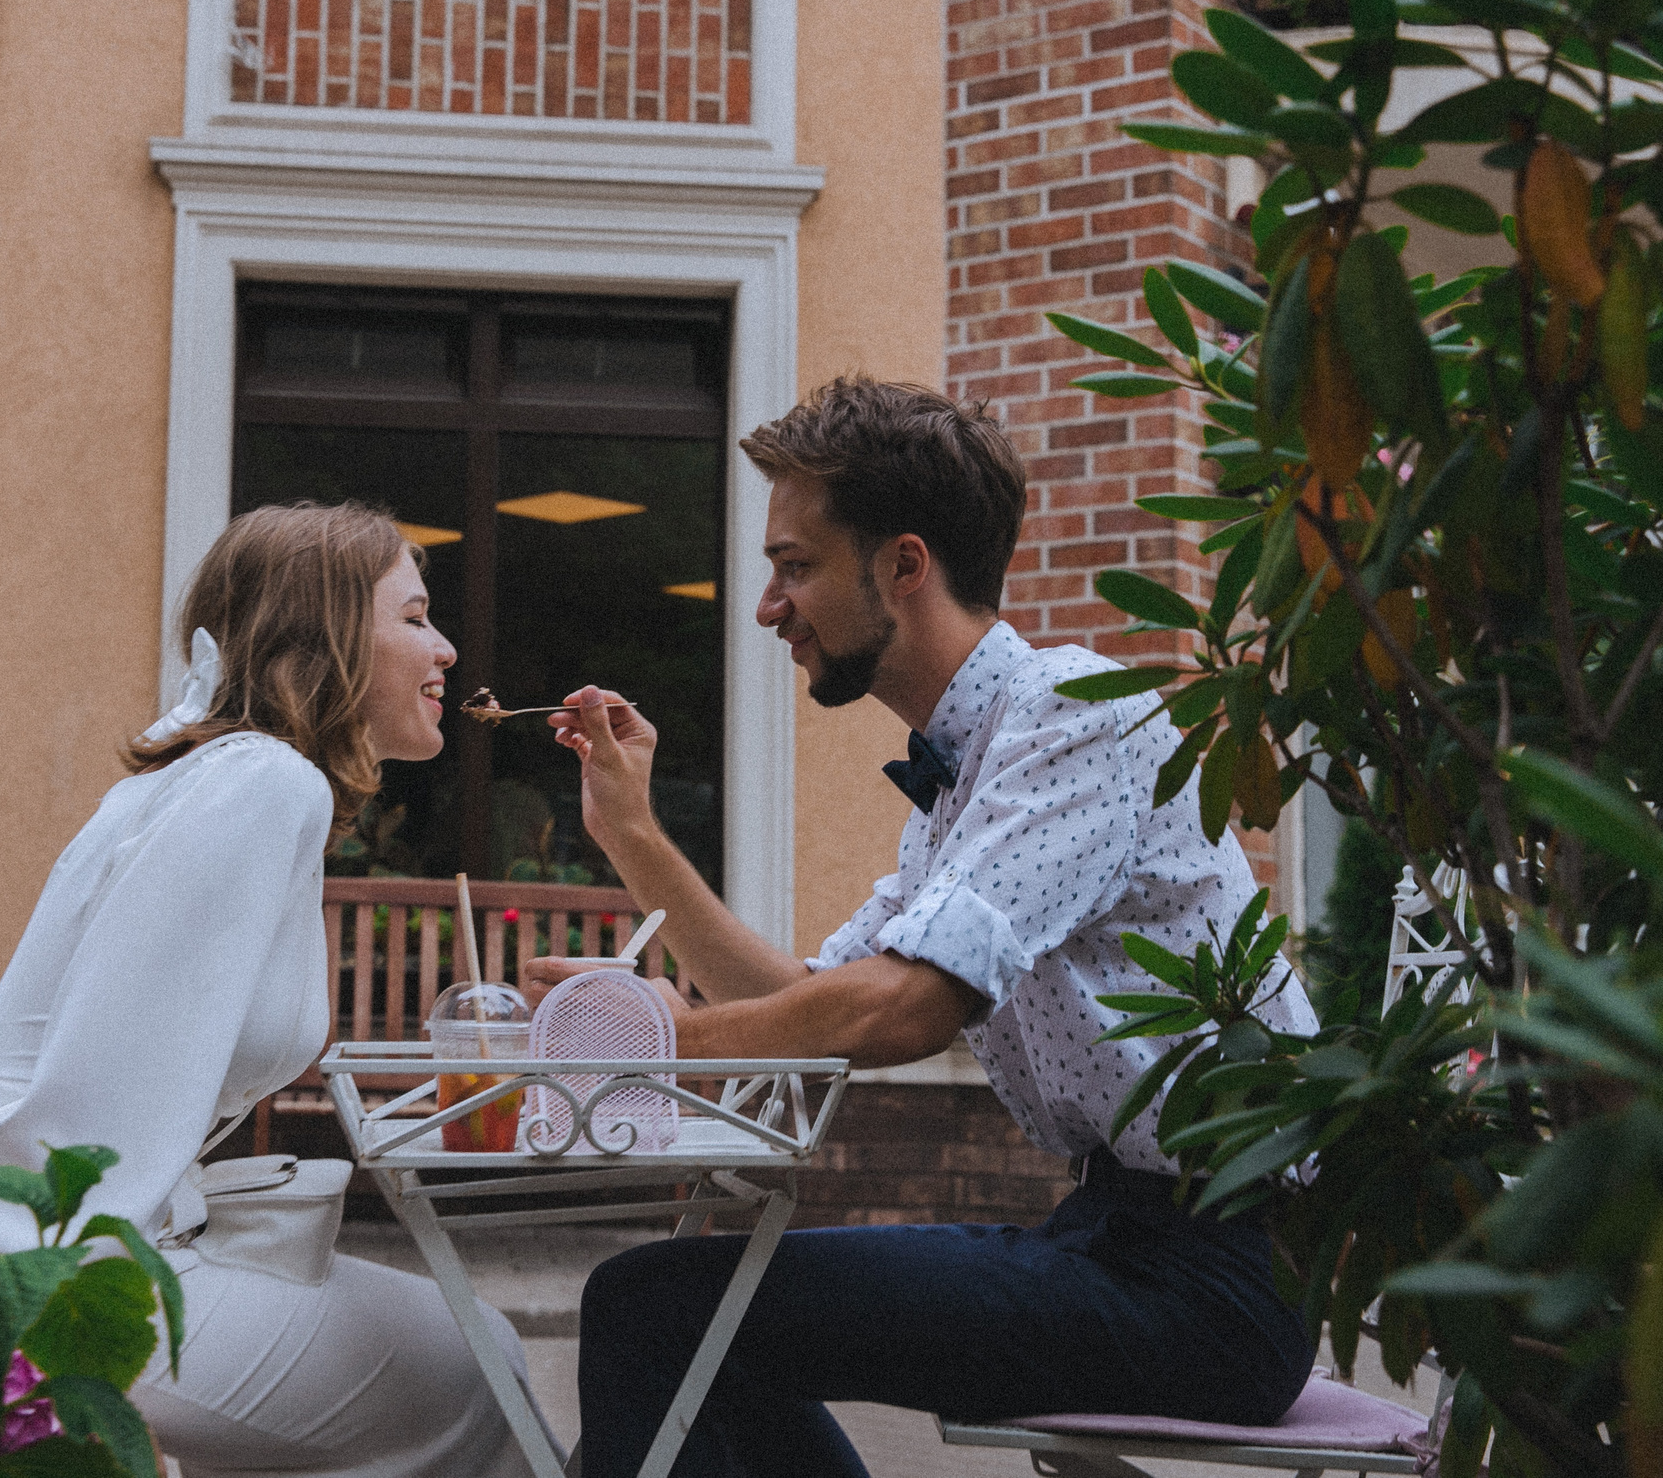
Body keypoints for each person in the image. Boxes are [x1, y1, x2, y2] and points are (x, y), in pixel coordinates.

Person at [525, 377, 1319, 1478]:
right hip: (1112, 1237)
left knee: (655, 1309)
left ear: (904, 565)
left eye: (794, 565)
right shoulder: (965, 785)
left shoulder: (1076, 715)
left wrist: (654, 1040)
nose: (767, 606)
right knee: (681, 1313)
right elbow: (801, 1004)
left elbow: (903, 1007)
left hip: (1210, 1286)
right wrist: (634, 837)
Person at [0, 502, 541, 1478]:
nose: (448, 647)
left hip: (16, 1238)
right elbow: (88, 1107)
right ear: (332, 633)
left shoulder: (220, 779)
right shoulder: (261, 787)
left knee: (482, 1349)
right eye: (415, 615)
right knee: (478, 1368)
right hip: (7, 1267)